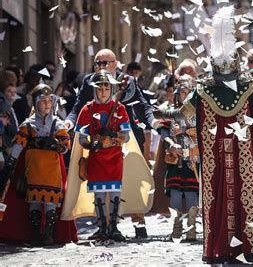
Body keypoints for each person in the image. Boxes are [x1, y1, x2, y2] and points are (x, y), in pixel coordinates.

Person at [154, 6, 253, 263]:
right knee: (232, 198)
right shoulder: (238, 89)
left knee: (226, 199)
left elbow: (181, 114)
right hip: (232, 158)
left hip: (224, 158)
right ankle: (238, 249)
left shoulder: (221, 89)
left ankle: (233, 248)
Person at [64, 48, 158, 238]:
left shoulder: (127, 81)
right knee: (100, 187)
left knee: (134, 179)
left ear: (115, 63)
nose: (102, 66)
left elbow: (143, 105)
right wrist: (69, 121)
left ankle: (138, 222)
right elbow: (78, 106)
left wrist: (153, 122)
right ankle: (103, 226)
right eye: (98, 63)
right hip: (97, 141)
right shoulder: (89, 81)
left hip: (127, 135)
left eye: (106, 62)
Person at [0, 84, 77, 246]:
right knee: (34, 204)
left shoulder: (57, 124)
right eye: (43, 101)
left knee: (50, 204)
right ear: (35, 103)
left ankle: (48, 234)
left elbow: (65, 148)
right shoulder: (28, 124)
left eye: (49, 101)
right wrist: (11, 162)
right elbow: (18, 145)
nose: (47, 104)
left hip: (51, 172)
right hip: (33, 170)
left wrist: (55, 144)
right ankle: (36, 234)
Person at [74, 70, 131, 241]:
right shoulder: (87, 110)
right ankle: (102, 227)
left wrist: (113, 135)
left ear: (111, 89)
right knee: (99, 195)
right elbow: (82, 138)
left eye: (107, 88)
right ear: (95, 90)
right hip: (96, 158)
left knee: (114, 194)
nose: (103, 92)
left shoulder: (120, 108)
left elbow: (126, 136)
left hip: (114, 157)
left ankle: (113, 227)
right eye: (100, 89)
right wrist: (93, 143)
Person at [160, 75, 199, 241]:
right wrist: (171, 144)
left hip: (192, 157)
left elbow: (203, 132)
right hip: (176, 159)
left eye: (186, 92)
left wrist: (183, 131)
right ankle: (176, 229)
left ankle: (191, 229)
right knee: (175, 193)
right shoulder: (172, 109)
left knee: (191, 193)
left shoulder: (199, 111)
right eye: (181, 92)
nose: (184, 95)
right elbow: (163, 132)